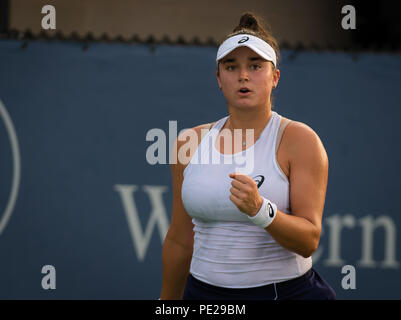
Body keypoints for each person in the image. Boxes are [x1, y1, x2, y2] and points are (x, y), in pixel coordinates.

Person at [160, 12, 336, 300]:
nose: (243, 75)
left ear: (275, 77)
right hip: (202, 295)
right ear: (219, 79)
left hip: (285, 293)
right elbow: (180, 240)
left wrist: (260, 210)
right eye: (231, 67)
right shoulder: (187, 144)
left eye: (255, 66)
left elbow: (309, 240)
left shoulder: (301, 140)